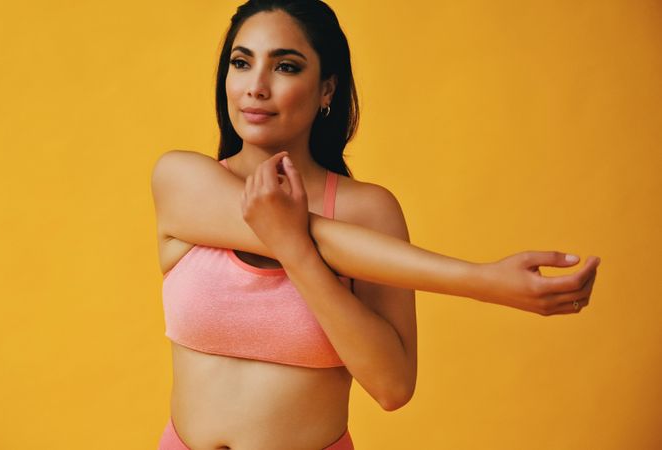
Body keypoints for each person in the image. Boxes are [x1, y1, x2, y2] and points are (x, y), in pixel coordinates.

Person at [151, 1, 601, 449]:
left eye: (285, 67)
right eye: (241, 62)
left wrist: (295, 251)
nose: (256, 87)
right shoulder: (182, 180)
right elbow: (306, 233)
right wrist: (482, 279)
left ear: (327, 89)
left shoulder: (368, 211)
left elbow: (392, 389)